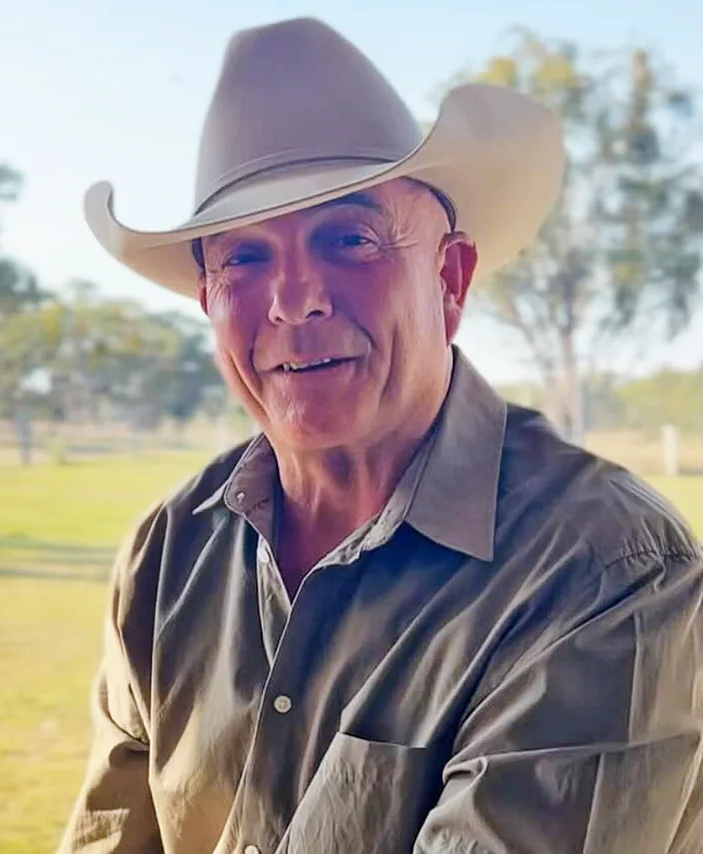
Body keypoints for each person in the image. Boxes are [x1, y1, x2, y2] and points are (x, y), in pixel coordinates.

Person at [58, 17, 703, 854]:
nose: (294, 300)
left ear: (450, 278)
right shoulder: (169, 551)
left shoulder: (605, 568)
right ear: (208, 299)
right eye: (243, 258)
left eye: (348, 240)